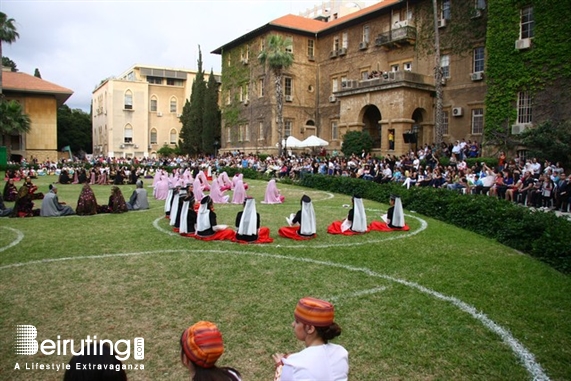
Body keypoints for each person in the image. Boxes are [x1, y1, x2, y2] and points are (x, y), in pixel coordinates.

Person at [273, 297, 348, 381]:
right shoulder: (341, 353)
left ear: (310, 328)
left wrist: (280, 367)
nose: (293, 324)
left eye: (297, 321)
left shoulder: (293, 365)